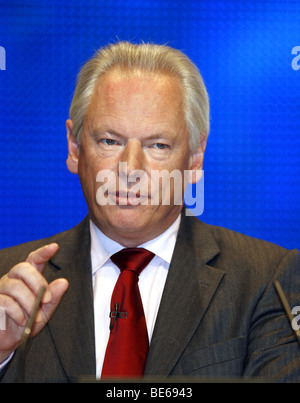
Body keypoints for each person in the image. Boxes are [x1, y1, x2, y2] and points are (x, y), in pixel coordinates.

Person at [0, 41, 299, 383]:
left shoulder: (268, 279)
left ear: (195, 157)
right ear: (74, 148)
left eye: (158, 145)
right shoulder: (7, 281)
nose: (130, 168)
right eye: (109, 141)